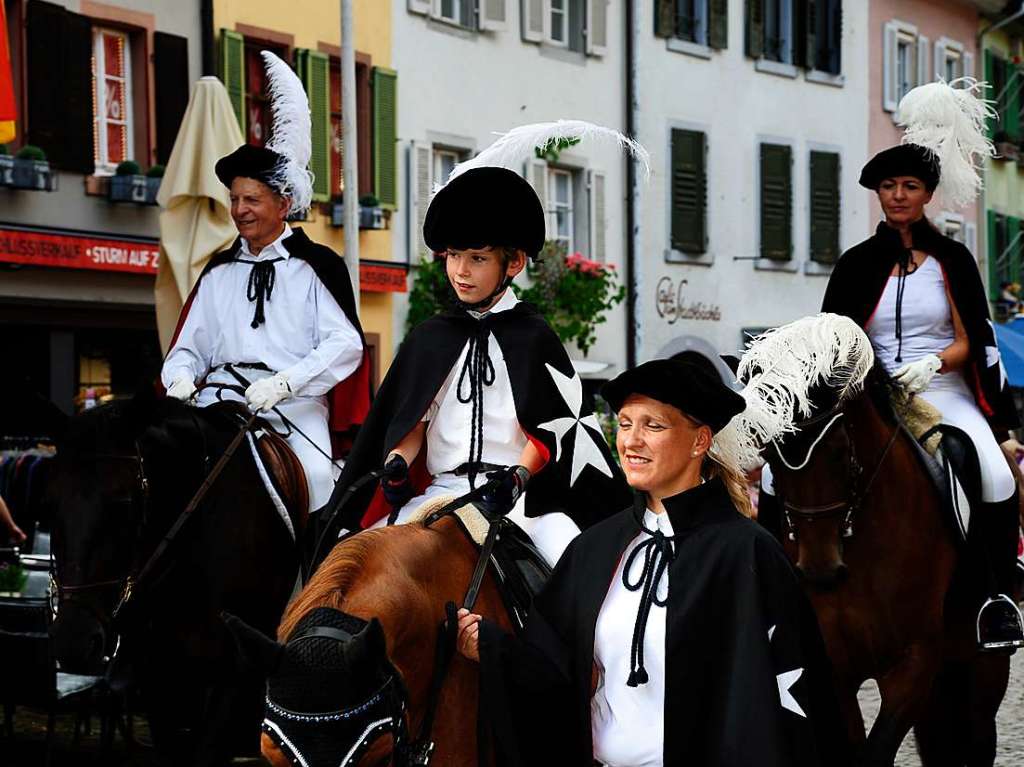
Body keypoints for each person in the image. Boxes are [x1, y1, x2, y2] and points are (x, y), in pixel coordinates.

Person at [456, 358, 848, 767]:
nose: (631, 441)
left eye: (653, 426)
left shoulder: (746, 553)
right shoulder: (593, 550)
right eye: (625, 424)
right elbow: (554, 673)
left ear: (699, 441)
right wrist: (493, 646)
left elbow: (792, 701)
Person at [311, 122, 646, 571]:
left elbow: (554, 429)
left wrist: (517, 477)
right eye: (453, 255)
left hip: (518, 503)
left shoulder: (534, 337)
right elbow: (413, 417)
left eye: (478, 258)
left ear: (514, 263)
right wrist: (395, 463)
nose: (460, 271)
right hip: (437, 497)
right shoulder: (431, 337)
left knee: (578, 570)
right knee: (347, 562)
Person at [762, 79, 1024, 651]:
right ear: (878, 194)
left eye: (909, 186)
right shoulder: (857, 263)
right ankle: (772, 590)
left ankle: (996, 596)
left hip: (942, 389)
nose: (899, 195)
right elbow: (832, 334)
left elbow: (970, 337)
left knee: (995, 472)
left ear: (927, 193)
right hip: (867, 390)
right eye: (888, 186)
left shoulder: (952, 259)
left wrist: (931, 364)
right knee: (785, 463)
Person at [161, 52, 371, 514]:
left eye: (252, 198)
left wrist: (285, 384)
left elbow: (346, 344)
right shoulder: (218, 271)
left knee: (318, 479)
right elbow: (187, 349)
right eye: (235, 199)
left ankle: (313, 582)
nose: (239, 210)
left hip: (291, 410)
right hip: (218, 404)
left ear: (284, 202)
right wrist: (178, 380)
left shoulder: (318, 265)